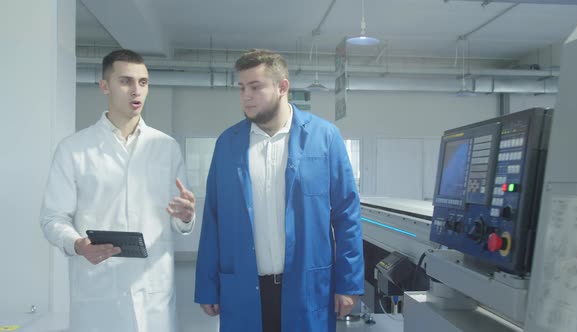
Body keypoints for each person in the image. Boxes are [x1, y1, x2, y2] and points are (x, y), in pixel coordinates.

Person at [194, 49, 364, 332]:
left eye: (255, 87)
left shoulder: (324, 138)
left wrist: (349, 283)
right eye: (242, 88)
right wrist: (207, 285)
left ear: (282, 87)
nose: (245, 96)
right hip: (245, 287)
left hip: (306, 286)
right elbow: (213, 219)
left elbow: (347, 216)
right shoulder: (228, 144)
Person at [40, 49, 196, 332]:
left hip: (153, 294)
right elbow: (53, 218)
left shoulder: (167, 147)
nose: (136, 90)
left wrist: (185, 216)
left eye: (143, 82)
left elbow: (179, 221)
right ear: (104, 86)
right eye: (125, 81)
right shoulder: (74, 149)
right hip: (98, 292)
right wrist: (77, 244)